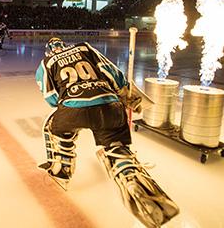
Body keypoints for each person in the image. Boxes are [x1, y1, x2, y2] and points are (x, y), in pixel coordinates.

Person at [35, 37, 179, 228]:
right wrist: (127, 95)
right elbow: (111, 71)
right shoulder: (84, 47)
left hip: (72, 110)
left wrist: (71, 99)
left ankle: (62, 169)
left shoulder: (46, 63)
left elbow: (51, 98)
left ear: (49, 50)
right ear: (64, 45)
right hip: (110, 105)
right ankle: (129, 175)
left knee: (54, 127)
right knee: (116, 148)